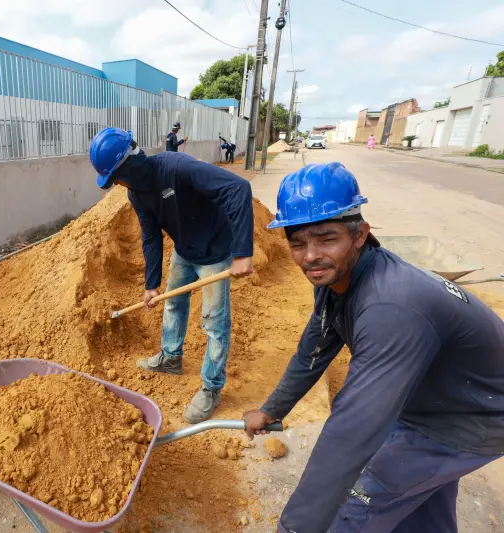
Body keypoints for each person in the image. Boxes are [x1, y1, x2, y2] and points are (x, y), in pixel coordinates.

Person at [243, 162, 504, 533]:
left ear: (360, 234)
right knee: (419, 507)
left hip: (469, 417)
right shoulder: (341, 278)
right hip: (438, 398)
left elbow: (353, 430)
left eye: (326, 238)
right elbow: (314, 348)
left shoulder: (389, 307)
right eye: (297, 243)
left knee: (355, 507)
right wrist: (273, 409)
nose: (310, 255)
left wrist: (295, 528)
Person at [90, 127, 255, 423]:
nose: (116, 183)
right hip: (184, 251)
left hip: (216, 252)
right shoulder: (136, 194)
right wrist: (151, 285)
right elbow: (151, 237)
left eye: (115, 176)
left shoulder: (177, 168)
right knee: (171, 303)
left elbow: (238, 189)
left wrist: (242, 252)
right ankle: (171, 357)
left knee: (215, 324)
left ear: (129, 164)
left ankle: (211, 388)